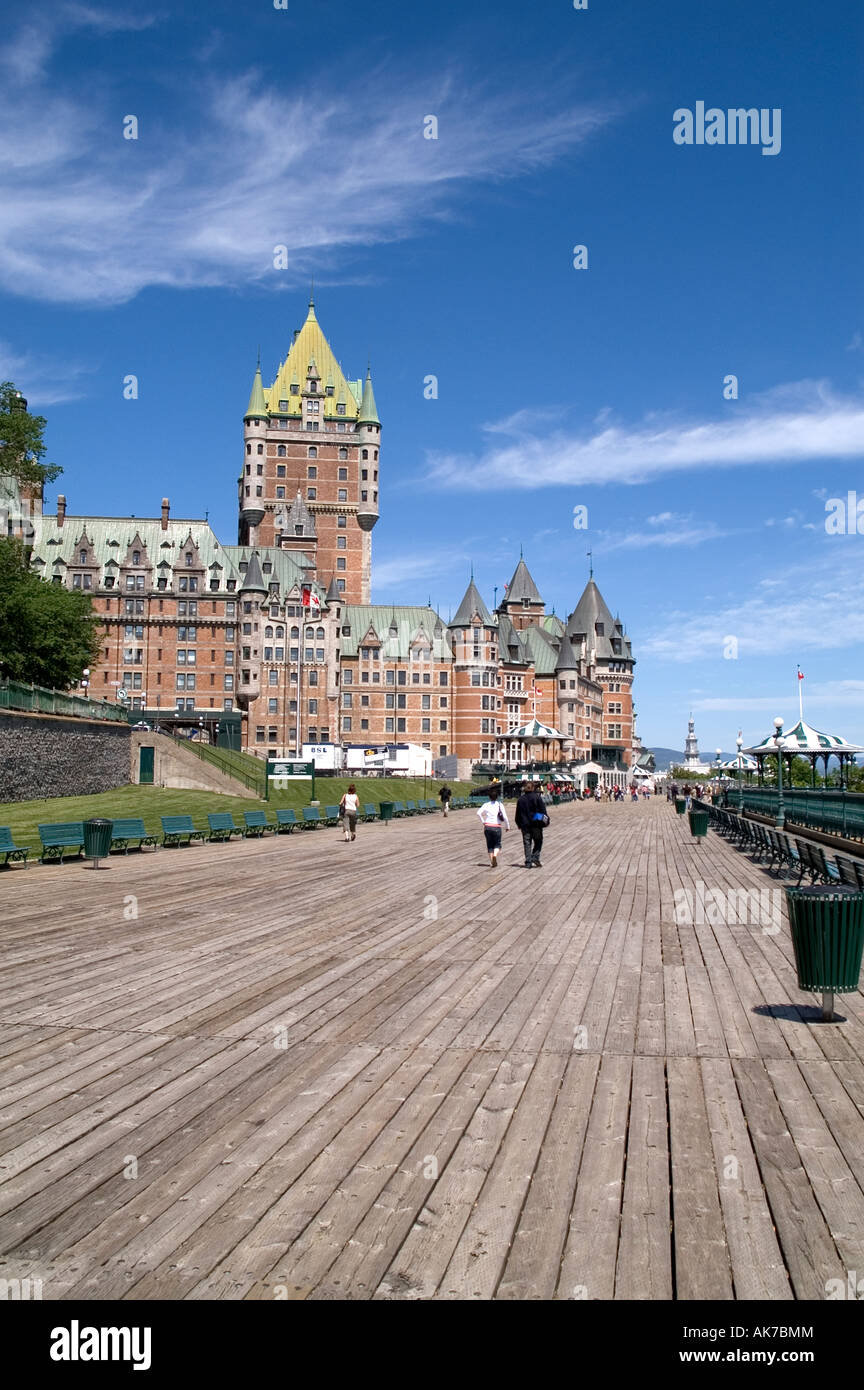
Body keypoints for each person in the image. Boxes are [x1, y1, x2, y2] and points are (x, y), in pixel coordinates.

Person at [515, 779, 549, 869]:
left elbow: (518, 813)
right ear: (533, 788)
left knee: (527, 843)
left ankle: (528, 862)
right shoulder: (537, 798)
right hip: (536, 824)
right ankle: (535, 856)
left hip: (525, 825)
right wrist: (546, 820)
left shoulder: (520, 799)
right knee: (538, 841)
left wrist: (518, 823)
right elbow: (543, 811)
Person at [476, 786, 510, 868]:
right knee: (497, 844)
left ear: (489, 797)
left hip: (487, 826)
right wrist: (507, 826)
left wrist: (483, 822)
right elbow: (504, 817)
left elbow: (478, 813)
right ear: (497, 797)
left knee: (490, 845)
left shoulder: (486, 804)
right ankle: (495, 855)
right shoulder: (499, 805)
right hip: (496, 827)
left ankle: (492, 861)